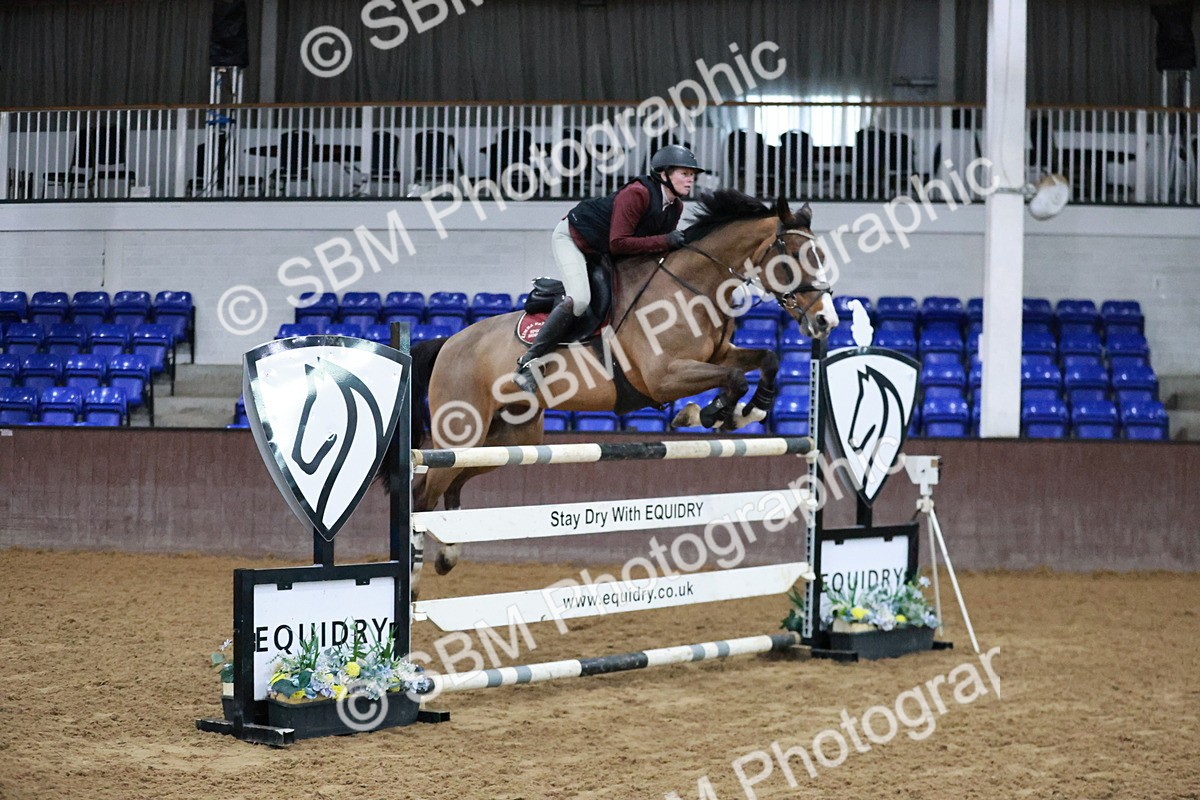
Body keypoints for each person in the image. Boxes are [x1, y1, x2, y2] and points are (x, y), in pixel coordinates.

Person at [513, 144, 707, 394]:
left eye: (692, 175)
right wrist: (665, 241)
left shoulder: (674, 207)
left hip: (603, 249)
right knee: (581, 300)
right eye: (685, 173)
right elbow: (619, 243)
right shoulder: (637, 194)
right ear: (664, 174)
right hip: (574, 239)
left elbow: (648, 248)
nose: (690, 179)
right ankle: (529, 361)